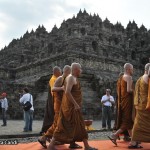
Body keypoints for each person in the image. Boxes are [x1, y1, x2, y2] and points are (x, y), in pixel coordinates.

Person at [48, 63, 98, 150]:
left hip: (72, 107)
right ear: (75, 70)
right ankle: (51, 145)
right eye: (80, 69)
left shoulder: (74, 78)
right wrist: (75, 104)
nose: (81, 71)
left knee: (77, 125)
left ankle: (85, 146)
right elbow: (67, 92)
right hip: (71, 107)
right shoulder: (71, 78)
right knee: (64, 126)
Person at [38, 65, 82, 149]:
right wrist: (61, 88)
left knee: (70, 123)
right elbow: (53, 89)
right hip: (58, 105)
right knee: (58, 124)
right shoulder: (60, 78)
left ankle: (72, 142)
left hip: (65, 105)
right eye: (70, 72)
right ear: (66, 71)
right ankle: (43, 138)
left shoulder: (68, 79)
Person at [108, 63, 134, 146]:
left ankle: (133, 140)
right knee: (127, 122)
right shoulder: (129, 77)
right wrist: (136, 91)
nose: (132, 71)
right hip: (128, 102)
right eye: (131, 69)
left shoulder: (121, 78)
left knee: (128, 122)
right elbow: (129, 90)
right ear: (128, 69)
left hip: (122, 102)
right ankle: (114, 135)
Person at [128, 63, 150, 149]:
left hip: (140, 104)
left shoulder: (140, 78)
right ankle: (133, 142)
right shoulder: (147, 78)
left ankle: (134, 142)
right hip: (147, 105)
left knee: (138, 124)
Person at [40, 66, 62, 134]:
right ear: (56, 72)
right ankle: (47, 132)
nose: (61, 73)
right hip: (53, 101)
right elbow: (54, 91)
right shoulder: (53, 79)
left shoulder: (57, 78)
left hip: (54, 101)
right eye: (60, 72)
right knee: (51, 117)